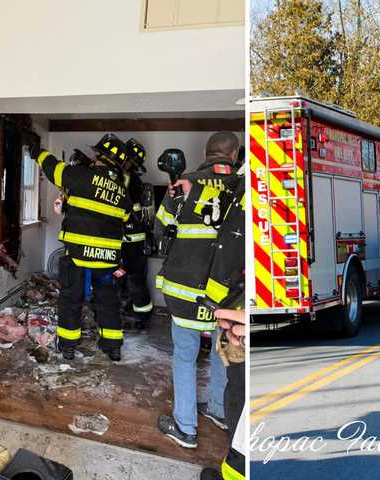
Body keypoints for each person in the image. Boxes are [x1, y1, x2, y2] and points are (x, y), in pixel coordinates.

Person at [156, 132, 240, 449]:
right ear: (234, 155)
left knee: (185, 355)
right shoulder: (244, 188)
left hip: (186, 290)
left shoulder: (185, 183)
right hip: (226, 294)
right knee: (222, 352)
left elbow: (163, 224)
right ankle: (218, 410)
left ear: (207, 153)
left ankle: (186, 427)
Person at [35, 134, 132, 362]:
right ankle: (113, 346)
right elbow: (125, 217)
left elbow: (53, 169)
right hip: (107, 260)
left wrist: (38, 151)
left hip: (78, 256)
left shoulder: (79, 176)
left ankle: (68, 346)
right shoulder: (123, 192)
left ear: (99, 156)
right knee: (108, 301)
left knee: (71, 300)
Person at [199, 177, 246, 480]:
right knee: (236, 386)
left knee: (239, 389)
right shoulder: (235, 191)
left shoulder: (233, 193)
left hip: (234, 312)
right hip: (234, 313)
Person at [118, 138, 154, 330]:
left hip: (132, 241)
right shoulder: (131, 179)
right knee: (127, 278)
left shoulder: (129, 180)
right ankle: (136, 311)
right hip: (130, 240)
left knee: (134, 280)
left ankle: (143, 316)